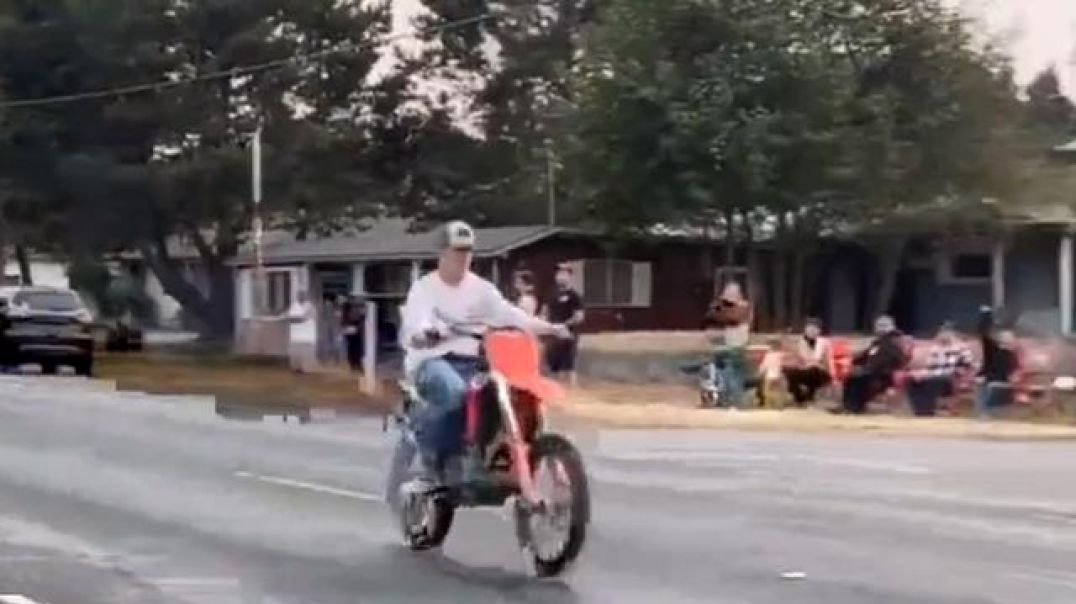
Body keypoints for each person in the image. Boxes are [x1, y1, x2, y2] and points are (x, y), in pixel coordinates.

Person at [399, 221, 571, 477]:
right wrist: (426, 333)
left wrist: (551, 328)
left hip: (473, 361)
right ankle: (439, 458)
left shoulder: (481, 289)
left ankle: (486, 454)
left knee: (501, 394)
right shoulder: (425, 288)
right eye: (456, 250)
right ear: (442, 253)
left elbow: (512, 315)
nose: (463, 257)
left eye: (467, 250)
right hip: (431, 360)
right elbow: (416, 324)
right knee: (456, 392)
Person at [837, 315, 906, 415]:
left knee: (859, 377)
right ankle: (846, 405)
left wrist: (867, 369)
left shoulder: (894, 341)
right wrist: (854, 362)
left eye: (884, 326)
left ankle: (854, 407)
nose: (881, 328)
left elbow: (890, 360)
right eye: (879, 326)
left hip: (884, 374)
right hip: (870, 371)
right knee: (852, 376)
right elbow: (866, 355)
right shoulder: (877, 341)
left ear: (891, 327)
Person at [905, 321, 974, 417]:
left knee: (929, 381)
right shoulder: (936, 348)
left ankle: (927, 412)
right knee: (911, 380)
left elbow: (966, 367)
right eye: (941, 332)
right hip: (934, 376)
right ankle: (922, 412)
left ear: (952, 333)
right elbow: (930, 367)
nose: (942, 335)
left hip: (950, 379)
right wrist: (919, 373)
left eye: (945, 332)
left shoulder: (962, 348)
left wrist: (929, 375)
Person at [704, 282, 752, 408]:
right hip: (729, 345)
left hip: (738, 346)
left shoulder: (743, 307)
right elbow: (710, 317)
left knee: (735, 374)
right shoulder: (729, 307)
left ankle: (736, 401)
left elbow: (733, 319)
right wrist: (717, 308)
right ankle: (721, 398)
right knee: (721, 371)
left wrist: (721, 309)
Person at [542, 263, 585, 385]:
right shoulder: (551, 294)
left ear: (570, 276)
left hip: (568, 335)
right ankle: (555, 392)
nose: (560, 276)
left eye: (564, 274)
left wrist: (564, 325)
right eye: (558, 273)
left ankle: (571, 392)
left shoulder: (575, 296)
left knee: (568, 367)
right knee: (552, 366)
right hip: (552, 334)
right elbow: (544, 312)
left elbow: (579, 317)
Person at [975, 306, 1019, 419]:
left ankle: (986, 414)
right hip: (991, 379)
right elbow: (983, 334)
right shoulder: (995, 349)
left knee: (987, 385)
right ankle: (984, 414)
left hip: (999, 381)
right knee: (982, 383)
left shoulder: (1010, 353)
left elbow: (1016, 369)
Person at [783, 318, 832, 405]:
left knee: (813, 369)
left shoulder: (824, 342)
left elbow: (822, 360)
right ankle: (799, 397)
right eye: (809, 329)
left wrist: (812, 363)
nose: (811, 331)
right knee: (788, 371)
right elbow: (796, 358)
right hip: (804, 369)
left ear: (819, 331)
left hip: (820, 371)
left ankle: (810, 395)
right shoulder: (800, 342)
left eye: (814, 329)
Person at [283, 290, 317, 373]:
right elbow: (285, 316)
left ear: (306, 296)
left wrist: (290, 319)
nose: (301, 297)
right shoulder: (294, 306)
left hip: (307, 338)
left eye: (303, 295)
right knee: (295, 357)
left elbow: (302, 319)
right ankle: (297, 369)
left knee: (306, 359)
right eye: (299, 295)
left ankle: (306, 370)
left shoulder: (310, 307)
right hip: (295, 337)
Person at [340, 295, 366, 372]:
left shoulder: (349, 308)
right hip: (351, 328)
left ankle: (355, 364)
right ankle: (355, 364)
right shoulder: (347, 308)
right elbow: (345, 320)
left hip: (353, 329)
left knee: (354, 347)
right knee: (353, 347)